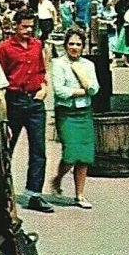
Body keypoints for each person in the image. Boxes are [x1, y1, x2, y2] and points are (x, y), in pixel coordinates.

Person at [0, 9, 53, 212]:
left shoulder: (37, 45)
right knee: (7, 147)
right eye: (24, 26)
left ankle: (34, 194)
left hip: (35, 101)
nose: (28, 30)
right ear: (15, 26)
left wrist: (45, 88)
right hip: (15, 101)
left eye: (31, 26)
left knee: (38, 150)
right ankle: (1, 192)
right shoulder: (3, 48)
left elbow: (42, 71)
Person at [50, 28, 100, 209]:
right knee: (71, 152)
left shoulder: (88, 65)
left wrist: (83, 81)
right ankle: (58, 177)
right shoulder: (58, 63)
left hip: (84, 112)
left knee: (84, 155)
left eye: (78, 44)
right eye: (71, 43)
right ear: (65, 45)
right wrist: (82, 91)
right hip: (66, 113)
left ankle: (80, 194)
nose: (74, 47)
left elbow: (95, 89)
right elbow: (60, 91)